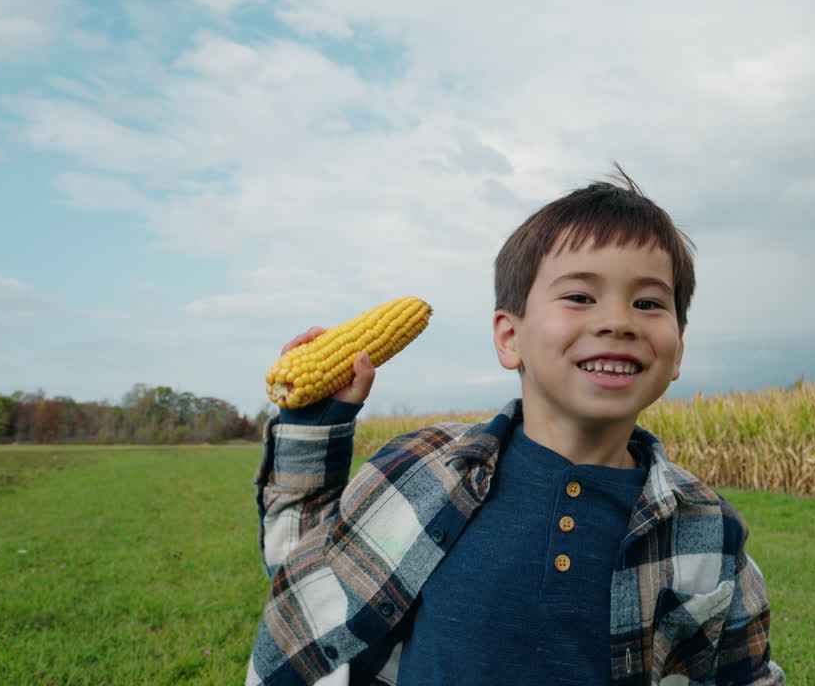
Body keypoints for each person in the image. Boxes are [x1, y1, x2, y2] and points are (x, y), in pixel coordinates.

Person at [246, 167, 784, 685]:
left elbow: (742, 673)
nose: (618, 321)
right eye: (579, 296)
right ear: (510, 338)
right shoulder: (423, 466)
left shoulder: (706, 527)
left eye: (648, 302)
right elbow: (303, 567)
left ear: (678, 350)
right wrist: (312, 427)